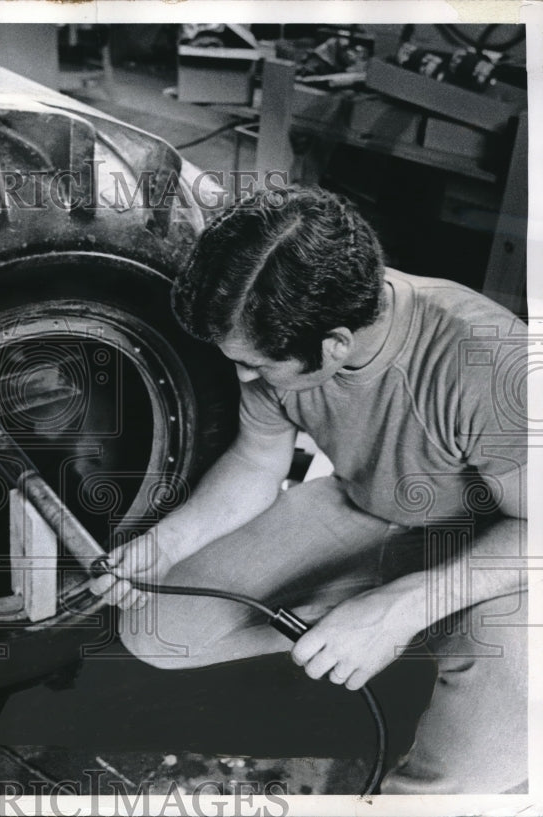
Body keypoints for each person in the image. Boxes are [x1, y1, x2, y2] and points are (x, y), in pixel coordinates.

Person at [91, 186, 528, 794]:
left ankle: (411, 656)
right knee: (159, 632)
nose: (243, 375)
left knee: (484, 767)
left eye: (258, 365)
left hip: (499, 547)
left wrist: (399, 608)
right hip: (369, 505)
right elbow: (254, 462)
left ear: (336, 345)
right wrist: (167, 542)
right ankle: (352, 633)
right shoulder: (279, 327)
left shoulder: (489, 361)